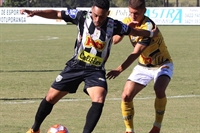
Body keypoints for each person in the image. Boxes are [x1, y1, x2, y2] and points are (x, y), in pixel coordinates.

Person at [20, 0, 158, 133]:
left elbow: (134, 31)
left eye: (102, 16)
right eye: (95, 15)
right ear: (92, 10)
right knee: (50, 98)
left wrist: (151, 33)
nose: (97, 19)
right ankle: (35, 129)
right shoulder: (81, 16)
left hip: (95, 70)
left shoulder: (114, 25)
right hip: (76, 65)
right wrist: (35, 12)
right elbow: (57, 14)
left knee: (99, 98)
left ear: (108, 13)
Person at [107, 0, 173, 133]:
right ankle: (129, 130)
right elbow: (115, 40)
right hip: (143, 66)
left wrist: (119, 69)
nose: (133, 16)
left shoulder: (149, 27)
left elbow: (136, 52)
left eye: (136, 13)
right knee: (126, 96)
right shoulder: (127, 20)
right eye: (130, 12)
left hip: (162, 64)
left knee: (159, 88)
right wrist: (125, 29)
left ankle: (156, 127)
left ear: (144, 11)